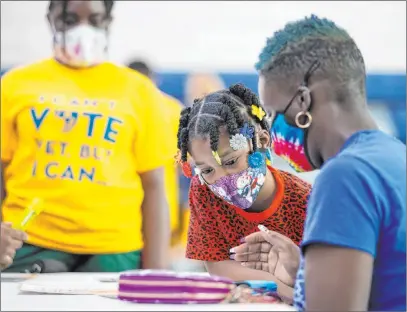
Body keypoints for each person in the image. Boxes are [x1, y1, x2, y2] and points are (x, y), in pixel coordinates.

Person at [233, 15, 406, 311]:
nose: (271, 131)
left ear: (302, 102)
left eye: (274, 113)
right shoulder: (394, 155)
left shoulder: (346, 176)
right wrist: (305, 272)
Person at [1, 0, 171, 272]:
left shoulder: (139, 90)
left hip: (114, 249)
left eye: (94, 19)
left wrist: (157, 270)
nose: (83, 29)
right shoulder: (15, 83)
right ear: (51, 19)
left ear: (108, 22)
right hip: (28, 240)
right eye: (69, 20)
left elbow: (154, 185)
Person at [176, 83, 310, 297]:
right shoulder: (204, 191)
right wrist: (283, 280)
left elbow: (319, 279)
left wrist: (291, 280)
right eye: (208, 169)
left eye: (230, 161)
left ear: (263, 141)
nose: (222, 179)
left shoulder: (306, 201)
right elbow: (219, 269)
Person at [127, 59, 183, 246]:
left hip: (124, 213)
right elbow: (189, 162)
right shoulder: (174, 109)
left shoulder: (119, 109)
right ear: (154, 79)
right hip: (164, 210)